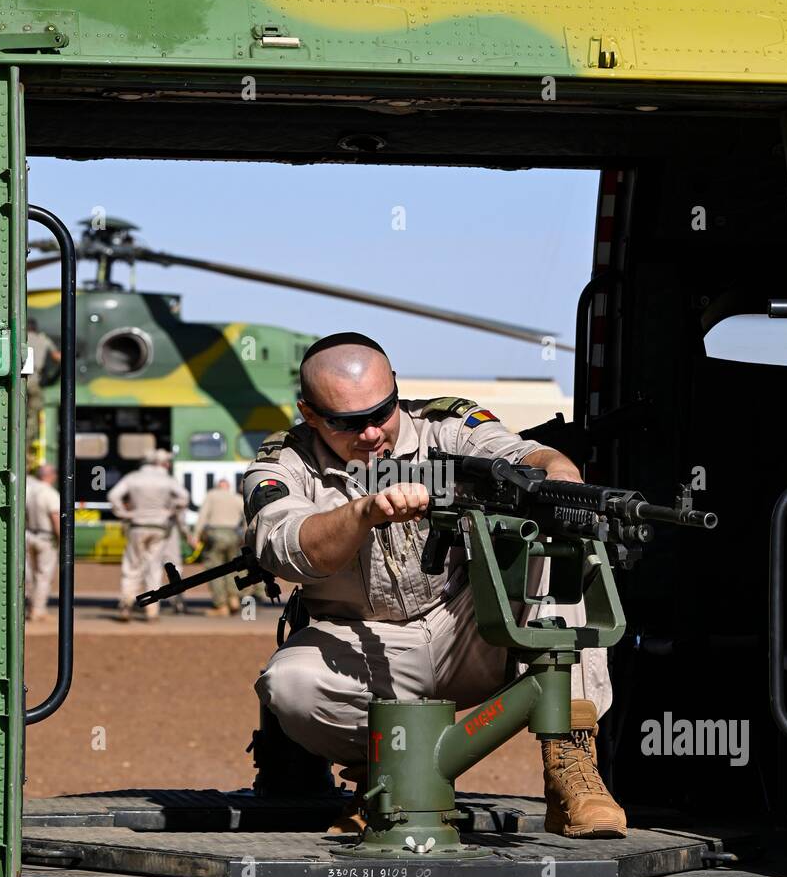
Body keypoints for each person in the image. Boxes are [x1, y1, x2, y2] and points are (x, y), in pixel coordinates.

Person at [243, 332, 626, 838]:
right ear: (310, 414)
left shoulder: (448, 426)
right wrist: (362, 513)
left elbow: (522, 455)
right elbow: (288, 548)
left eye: (382, 412)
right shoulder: (281, 463)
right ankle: (388, 777)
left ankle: (571, 765)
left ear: (396, 389)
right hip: (363, 645)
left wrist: (562, 478)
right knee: (288, 684)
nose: (372, 434)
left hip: (469, 629)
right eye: (348, 423)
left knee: (559, 556)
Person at [107, 448, 189, 622]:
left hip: (137, 525)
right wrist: (169, 511)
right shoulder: (167, 480)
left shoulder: (133, 477)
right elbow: (184, 497)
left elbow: (113, 495)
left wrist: (124, 513)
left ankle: (126, 603)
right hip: (159, 527)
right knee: (153, 567)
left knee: (132, 565)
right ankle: (152, 610)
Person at [193, 478, 245, 615]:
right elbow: (247, 516)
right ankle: (233, 598)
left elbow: (202, 516)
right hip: (233, 535)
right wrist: (246, 535)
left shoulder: (211, 496)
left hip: (215, 535)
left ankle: (221, 605)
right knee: (233, 568)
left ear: (218, 487)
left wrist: (196, 535)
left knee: (215, 570)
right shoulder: (236, 498)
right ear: (228, 487)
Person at [25, 463, 60, 623]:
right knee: (43, 576)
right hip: (46, 538)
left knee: (30, 574)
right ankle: (37, 610)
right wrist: (62, 539)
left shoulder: (29, 491)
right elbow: (55, 518)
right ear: (50, 475)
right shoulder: (50, 493)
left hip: (29, 534)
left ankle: (28, 606)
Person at [25, 318, 60, 459]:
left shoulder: (19, 336)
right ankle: (26, 446)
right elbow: (58, 357)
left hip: (17, 380)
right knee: (32, 417)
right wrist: (51, 377)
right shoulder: (43, 339)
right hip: (34, 381)